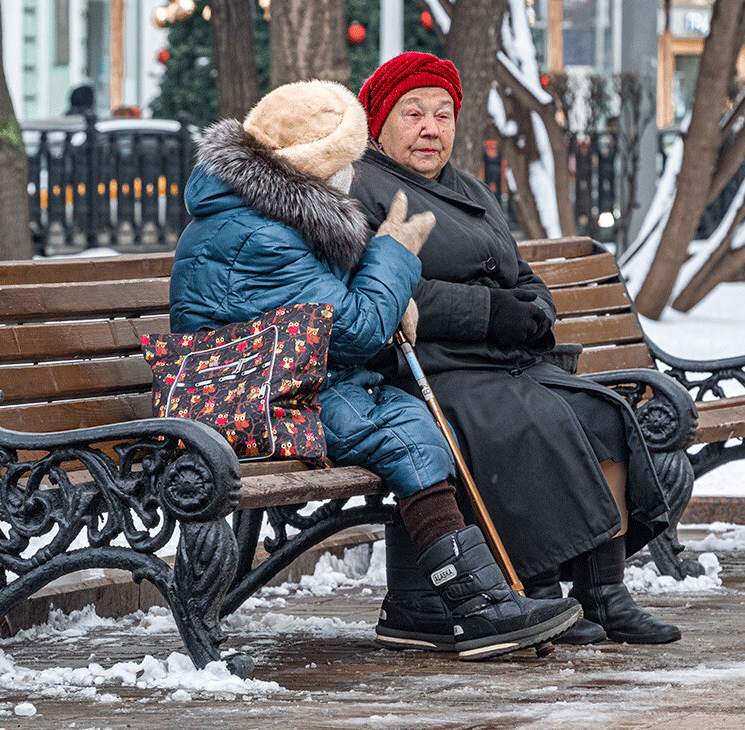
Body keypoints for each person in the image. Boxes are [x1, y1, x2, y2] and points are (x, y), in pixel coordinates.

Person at [168, 79, 581, 660]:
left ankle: (450, 604)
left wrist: (396, 294)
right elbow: (356, 329)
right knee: (406, 435)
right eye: (345, 159)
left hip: (293, 378)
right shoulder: (264, 233)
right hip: (256, 395)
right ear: (310, 162)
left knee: (416, 420)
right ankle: (476, 607)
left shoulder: (267, 211)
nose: (353, 173)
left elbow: (331, 317)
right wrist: (395, 254)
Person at [350, 52, 682, 645]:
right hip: (429, 368)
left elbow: (519, 272)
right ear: (380, 121)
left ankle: (603, 590)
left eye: (444, 115)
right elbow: (384, 282)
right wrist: (488, 313)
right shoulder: (360, 186)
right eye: (414, 114)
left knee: (601, 413)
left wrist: (534, 311)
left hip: (501, 360)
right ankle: (537, 587)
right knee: (527, 422)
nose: (431, 129)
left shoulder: (470, 186)